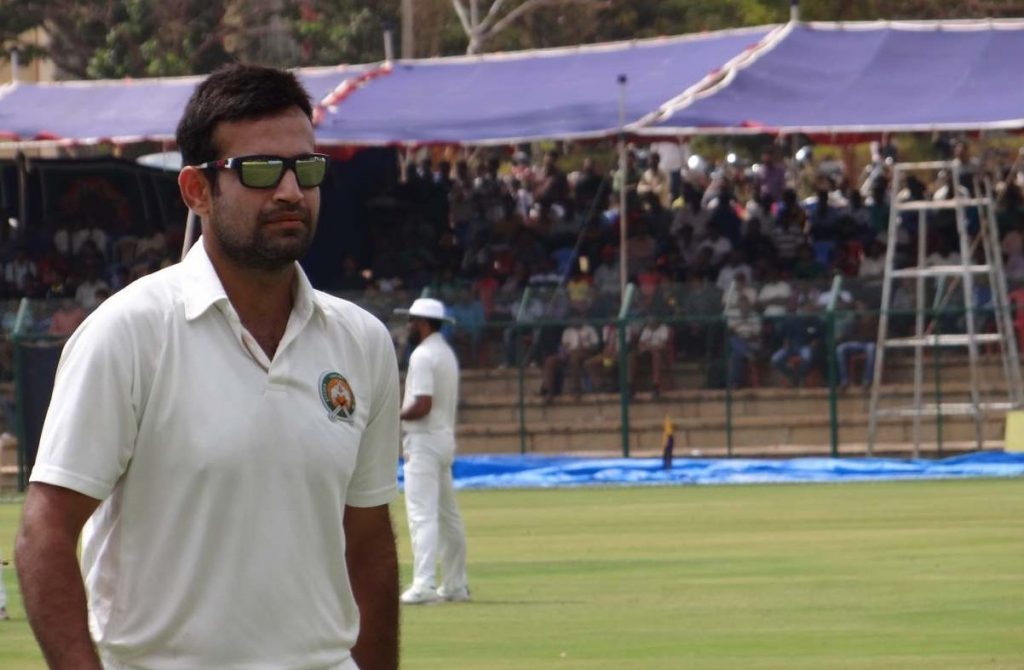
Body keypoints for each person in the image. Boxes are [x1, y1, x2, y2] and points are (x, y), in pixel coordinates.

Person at [15, 64, 401, 670]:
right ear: (196, 189)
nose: (290, 192)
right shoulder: (129, 333)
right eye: (260, 170)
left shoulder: (362, 341)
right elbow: (44, 535)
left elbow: (369, 542)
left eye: (307, 168)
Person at [395, 297, 470, 605]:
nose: (409, 326)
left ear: (423, 323)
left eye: (412, 321)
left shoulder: (423, 355)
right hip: (442, 439)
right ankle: (454, 585)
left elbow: (422, 404)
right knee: (448, 516)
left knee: (422, 515)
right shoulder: (445, 353)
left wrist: (392, 416)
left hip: (424, 440)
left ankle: (424, 584)